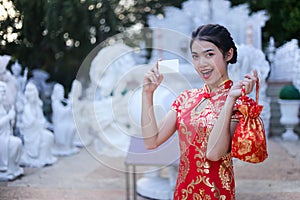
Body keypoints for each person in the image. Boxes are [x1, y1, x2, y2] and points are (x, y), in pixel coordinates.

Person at [141, 24, 259, 199]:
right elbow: (152, 141)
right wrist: (147, 93)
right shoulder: (186, 98)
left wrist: (229, 100)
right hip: (183, 193)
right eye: (195, 57)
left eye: (209, 55)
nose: (201, 64)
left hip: (217, 194)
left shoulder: (238, 102)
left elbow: (214, 153)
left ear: (228, 54)